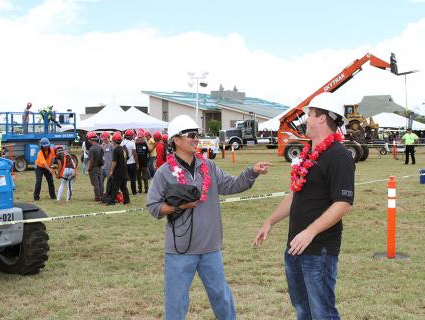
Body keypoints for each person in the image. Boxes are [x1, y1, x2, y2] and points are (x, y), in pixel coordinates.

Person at [146, 114, 272, 320]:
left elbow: (232, 185)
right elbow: (153, 207)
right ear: (176, 139)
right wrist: (180, 206)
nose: (196, 139)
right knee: (176, 302)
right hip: (179, 250)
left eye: (198, 135)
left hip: (210, 248)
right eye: (191, 135)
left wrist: (252, 172)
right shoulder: (164, 172)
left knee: (221, 298)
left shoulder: (208, 167)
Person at [253, 93, 355, 320]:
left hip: (319, 250)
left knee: (322, 313)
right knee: (302, 310)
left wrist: (310, 232)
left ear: (322, 118)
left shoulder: (339, 156)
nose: (306, 119)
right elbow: (295, 195)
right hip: (295, 248)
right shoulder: (308, 153)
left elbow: (343, 203)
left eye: (310, 114)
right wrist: (269, 221)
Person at [102, 131, 130, 205]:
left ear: (114, 141)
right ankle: (127, 200)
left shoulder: (116, 150)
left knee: (115, 187)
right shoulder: (123, 148)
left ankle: (111, 201)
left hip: (118, 171)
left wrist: (111, 170)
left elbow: (114, 161)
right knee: (124, 187)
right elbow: (127, 157)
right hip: (124, 170)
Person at [87, 131, 104, 201]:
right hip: (100, 167)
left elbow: (91, 160)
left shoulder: (91, 149)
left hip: (93, 168)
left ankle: (97, 197)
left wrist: (89, 169)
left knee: (95, 183)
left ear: (91, 139)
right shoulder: (100, 147)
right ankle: (101, 195)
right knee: (100, 182)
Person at [121, 129, 139, 195]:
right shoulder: (132, 143)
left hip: (124, 163)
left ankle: (124, 191)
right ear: (131, 136)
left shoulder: (122, 142)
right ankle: (134, 192)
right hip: (132, 163)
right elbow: (135, 154)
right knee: (133, 178)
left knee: (125, 178)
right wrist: (137, 163)